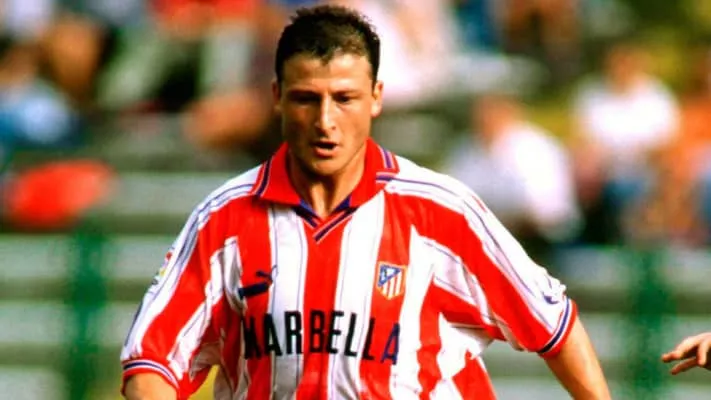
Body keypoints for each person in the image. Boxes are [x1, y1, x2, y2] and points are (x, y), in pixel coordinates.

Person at [120, 5, 611, 399]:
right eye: (307, 98)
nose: (325, 121)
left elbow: (553, 323)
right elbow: (152, 360)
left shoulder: (441, 211)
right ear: (277, 96)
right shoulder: (224, 217)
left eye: (344, 98)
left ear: (376, 97)